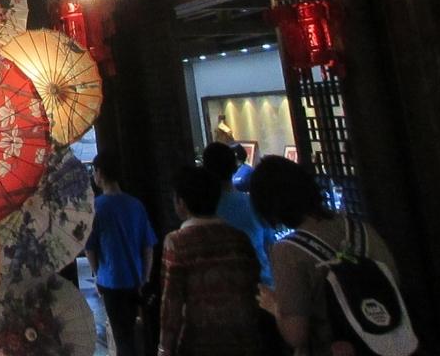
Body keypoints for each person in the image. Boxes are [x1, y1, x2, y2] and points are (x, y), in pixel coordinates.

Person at [251, 156, 401, 356]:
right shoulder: (362, 230)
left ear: (269, 206)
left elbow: (296, 334)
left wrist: (273, 305)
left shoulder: (288, 251)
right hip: (392, 344)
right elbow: (394, 282)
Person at [158, 165, 263, 356]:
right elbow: (253, 284)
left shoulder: (176, 242)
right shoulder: (239, 238)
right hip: (243, 339)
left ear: (181, 203)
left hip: (198, 342)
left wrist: (165, 348)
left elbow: (171, 302)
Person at [86, 151, 157, 356]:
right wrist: (145, 276)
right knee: (134, 332)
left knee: (121, 336)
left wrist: (97, 273)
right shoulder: (135, 205)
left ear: (100, 173)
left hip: (110, 281)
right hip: (135, 279)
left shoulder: (97, 208)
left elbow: (90, 247)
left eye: (94, 172)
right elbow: (148, 246)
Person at [203, 142, 275, 286]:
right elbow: (270, 247)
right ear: (235, 167)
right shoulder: (254, 203)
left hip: (222, 288)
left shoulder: (204, 209)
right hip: (262, 284)